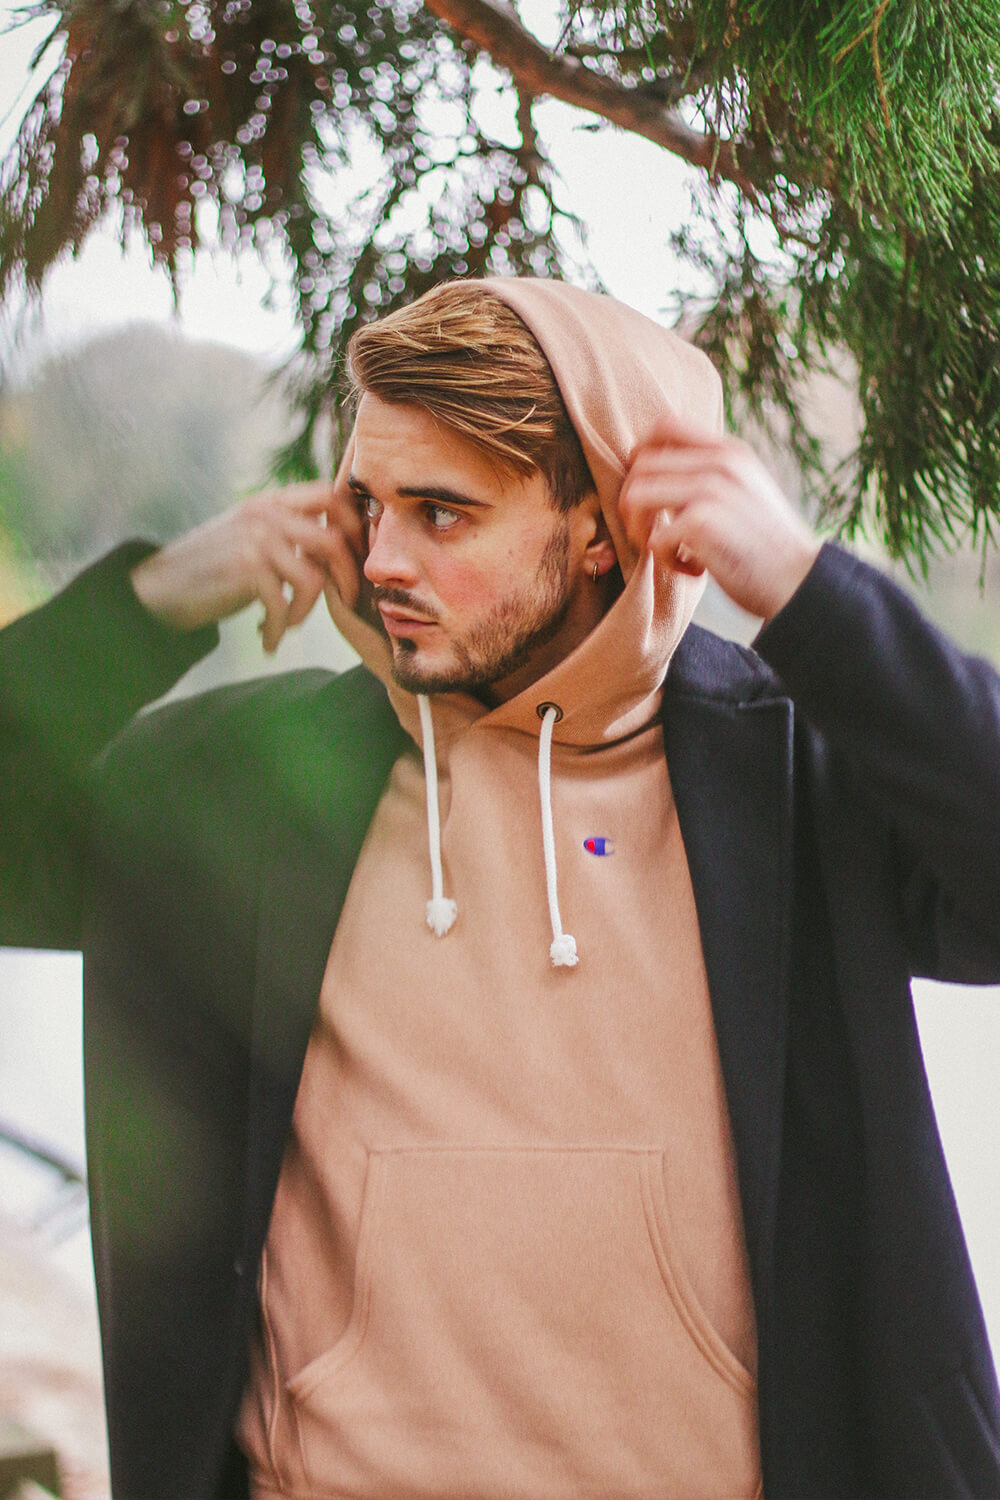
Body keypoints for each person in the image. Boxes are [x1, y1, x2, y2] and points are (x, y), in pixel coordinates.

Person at [2, 276, 1000, 1500]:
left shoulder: (794, 785)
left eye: (442, 514)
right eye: (368, 506)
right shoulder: (244, 790)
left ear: (599, 527)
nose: (382, 560)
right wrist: (151, 604)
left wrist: (806, 589)